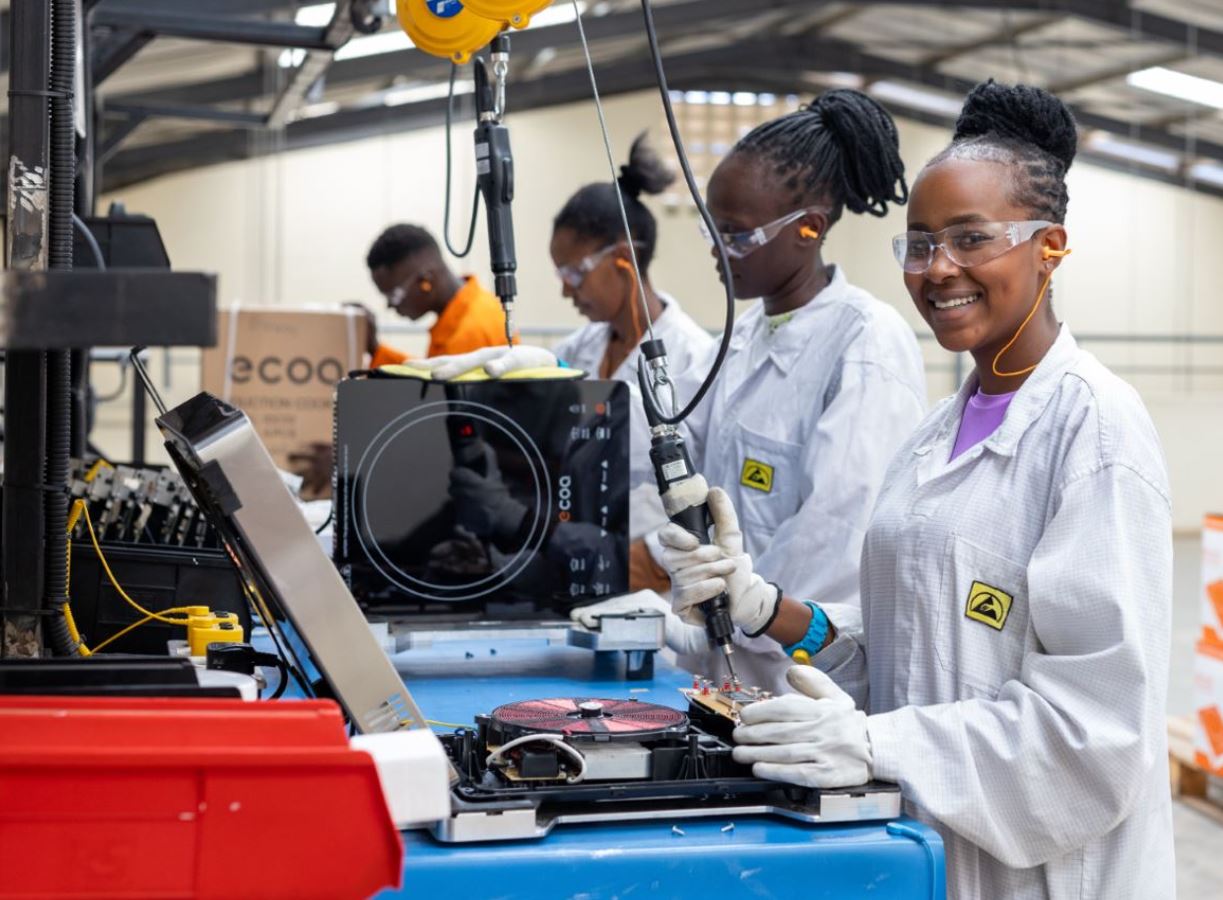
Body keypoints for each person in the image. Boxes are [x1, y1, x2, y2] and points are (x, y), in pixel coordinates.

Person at [657, 81, 1174, 898]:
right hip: (923, 854)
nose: (937, 270)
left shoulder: (1094, 433)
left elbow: (1092, 732)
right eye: (919, 244)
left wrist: (876, 745)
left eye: (971, 239)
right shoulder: (934, 435)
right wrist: (765, 608)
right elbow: (908, 651)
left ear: (1049, 246)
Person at [584, 90, 927, 692]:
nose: (718, 251)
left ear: (809, 228)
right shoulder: (743, 337)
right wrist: (551, 397)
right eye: (712, 230)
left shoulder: (865, 343)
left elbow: (836, 542)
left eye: (737, 237)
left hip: (804, 682)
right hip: (726, 670)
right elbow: (669, 449)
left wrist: (732, 619)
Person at [548, 133, 714, 540]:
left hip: (655, 568)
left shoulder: (695, 360)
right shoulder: (575, 350)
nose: (566, 291)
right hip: (575, 551)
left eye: (574, 273)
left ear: (624, 258)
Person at [364, 223, 508, 367]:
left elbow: (435, 380)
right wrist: (375, 349)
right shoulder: (467, 311)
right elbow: (430, 371)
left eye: (394, 296)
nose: (390, 306)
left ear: (426, 281)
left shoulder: (470, 332)